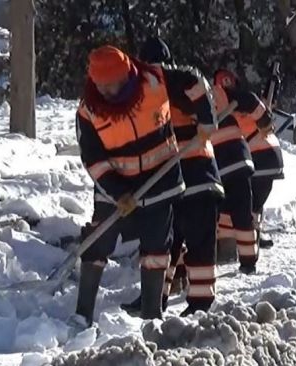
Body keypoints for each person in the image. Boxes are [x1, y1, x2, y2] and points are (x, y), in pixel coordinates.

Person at [74, 45, 215, 326]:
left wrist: (206, 120)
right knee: (98, 241)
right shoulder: (89, 109)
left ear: (127, 75)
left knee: (156, 246)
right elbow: (93, 159)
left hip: (158, 178)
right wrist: (116, 192)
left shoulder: (154, 80)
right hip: (114, 188)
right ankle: (82, 314)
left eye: (114, 85)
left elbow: (195, 81)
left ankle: (152, 315)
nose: (109, 92)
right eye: (103, 87)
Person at [121, 37, 223, 317]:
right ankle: (154, 298)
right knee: (165, 242)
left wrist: (206, 122)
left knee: (198, 242)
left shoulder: (168, 79)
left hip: (198, 175)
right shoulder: (145, 96)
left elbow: (195, 83)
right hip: (171, 182)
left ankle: (201, 304)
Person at [216, 69, 284, 251]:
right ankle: (252, 237)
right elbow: (263, 113)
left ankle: (230, 244)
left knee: (238, 202)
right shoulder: (246, 103)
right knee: (254, 202)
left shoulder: (229, 105)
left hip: (258, 157)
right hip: (271, 158)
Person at [210, 69, 261, 274]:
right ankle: (248, 261)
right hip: (240, 161)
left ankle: (224, 252)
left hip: (220, 166)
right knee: (242, 215)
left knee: (221, 212)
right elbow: (252, 105)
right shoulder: (227, 97)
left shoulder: (204, 95)